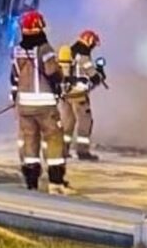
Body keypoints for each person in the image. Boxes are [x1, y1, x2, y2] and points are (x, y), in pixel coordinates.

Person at [9, 10, 68, 193]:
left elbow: (14, 77)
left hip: (24, 105)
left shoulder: (17, 50)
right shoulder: (45, 49)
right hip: (44, 105)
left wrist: (15, 97)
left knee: (30, 141)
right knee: (54, 139)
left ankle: (31, 183)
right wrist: (61, 80)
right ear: (39, 28)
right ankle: (56, 182)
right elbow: (52, 72)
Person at [58, 29, 105, 161]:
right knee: (85, 121)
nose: (93, 46)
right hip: (78, 95)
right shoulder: (83, 55)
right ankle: (83, 152)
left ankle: (63, 150)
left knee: (68, 122)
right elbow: (93, 76)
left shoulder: (70, 52)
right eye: (93, 43)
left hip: (66, 94)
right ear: (89, 41)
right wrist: (100, 73)